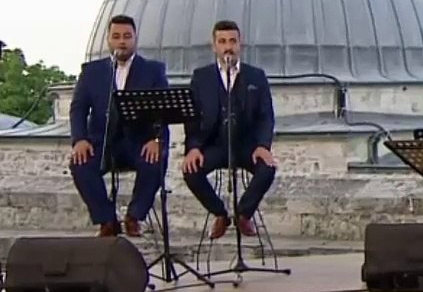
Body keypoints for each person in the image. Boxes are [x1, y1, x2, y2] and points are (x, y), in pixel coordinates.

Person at [67, 14, 169, 237]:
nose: (122, 42)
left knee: (155, 161)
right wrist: (80, 139)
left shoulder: (153, 70)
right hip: (102, 142)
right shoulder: (92, 72)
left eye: (127, 36)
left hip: (139, 141)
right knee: (80, 165)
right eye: (116, 37)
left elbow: (163, 111)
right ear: (108, 40)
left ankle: (134, 216)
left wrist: (157, 139)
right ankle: (107, 220)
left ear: (135, 38)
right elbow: (78, 108)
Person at [181, 20, 278, 241]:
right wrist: (193, 148)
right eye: (222, 42)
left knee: (267, 168)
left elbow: (266, 116)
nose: (228, 47)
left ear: (240, 44)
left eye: (232, 41)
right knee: (191, 172)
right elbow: (192, 119)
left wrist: (263, 146)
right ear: (214, 46)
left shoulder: (256, 76)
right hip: (215, 145)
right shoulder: (201, 77)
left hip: (246, 145)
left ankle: (243, 214)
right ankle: (220, 213)